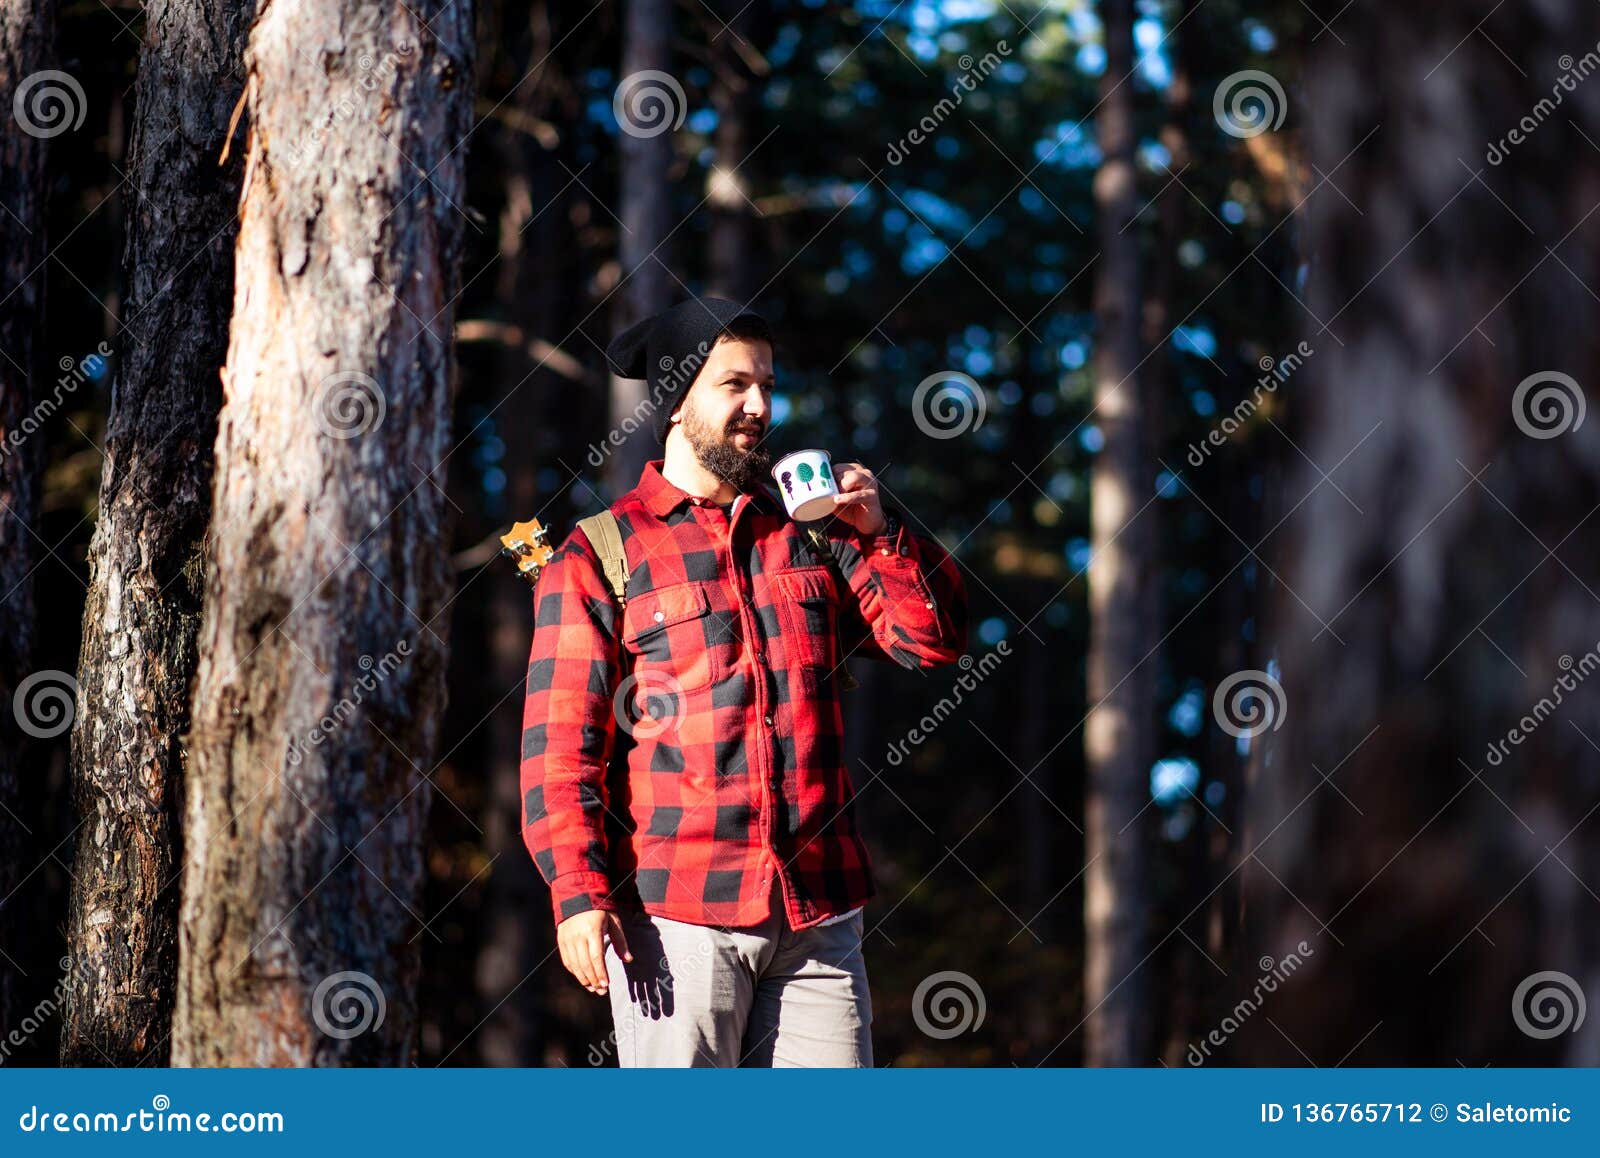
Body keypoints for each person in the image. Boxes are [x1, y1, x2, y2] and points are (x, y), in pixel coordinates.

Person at [519, 296, 969, 1066]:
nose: (759, 406)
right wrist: (580, 895)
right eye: (734, 384)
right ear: (676, 398)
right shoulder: (599, 555)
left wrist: (881, 533)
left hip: (819, 915)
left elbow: (931, 645)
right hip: (676, 921)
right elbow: (561, 755)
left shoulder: (811, 536)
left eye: (766, 384)